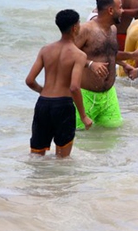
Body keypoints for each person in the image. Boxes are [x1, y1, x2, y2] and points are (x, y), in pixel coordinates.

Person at [25, 9, 92, 158]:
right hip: (63, 106)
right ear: (75, 27)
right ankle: (59, 182)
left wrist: (43, 90)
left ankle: (36, 181)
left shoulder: (45, 50)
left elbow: (29, 80)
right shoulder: (78, 55)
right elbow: (74, 87)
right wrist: (83, 116)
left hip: (43, 104)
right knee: (63, 159)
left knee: (36, 156)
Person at [74, 0, 138, 128]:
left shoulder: (113, 29)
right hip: (85, 95)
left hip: (109, 95)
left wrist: (131, 56)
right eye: (120, 8)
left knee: (113, 137)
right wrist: (90, 64)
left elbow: (110, 54)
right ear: (110, 10)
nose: (123, 11)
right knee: (80, 138)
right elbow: (67, 55)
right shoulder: (86, 30)